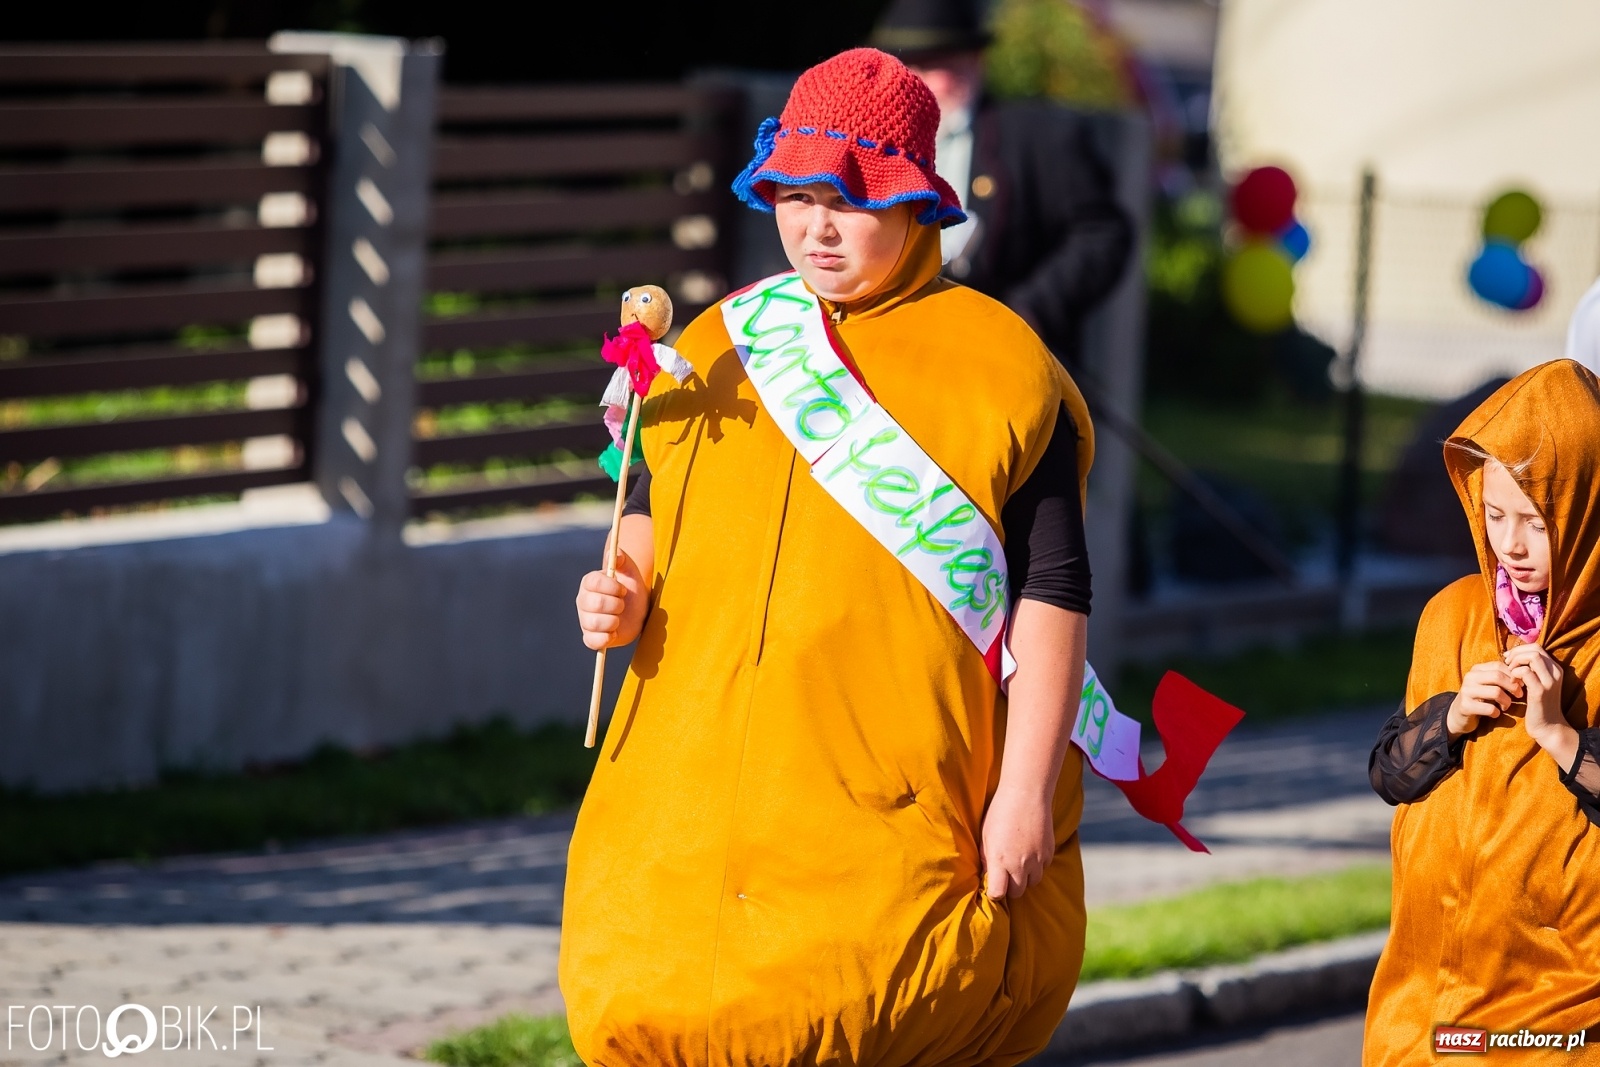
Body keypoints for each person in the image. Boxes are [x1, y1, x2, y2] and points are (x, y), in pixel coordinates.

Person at [562, 47, 1097, 1067]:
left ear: (917, 204)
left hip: (885, 822)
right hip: (681, 808)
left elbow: (1055, 593)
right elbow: (648, 508)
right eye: (797, 197)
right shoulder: (716, 345)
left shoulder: (1004, 369)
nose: (817, 228)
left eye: (850, 201)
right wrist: (618, 593)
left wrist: (1025, 792)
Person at [1365, 359, 1600, 1065]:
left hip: (1558, 1010)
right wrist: (1451, 718)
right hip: (1424, 1001)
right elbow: (1389, 774)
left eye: (1536, 522)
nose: (1511, 545)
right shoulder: (1453, 614)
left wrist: (1561, 736)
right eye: (1495, 515)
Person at [869, 0, 1133, 368]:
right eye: (907, 67)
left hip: (1003, 359)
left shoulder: (1038, 138)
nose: (917, 84)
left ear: (973, 62)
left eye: (934, 65)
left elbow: (1102, 234)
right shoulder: (873, 145)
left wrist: (1030, 310)